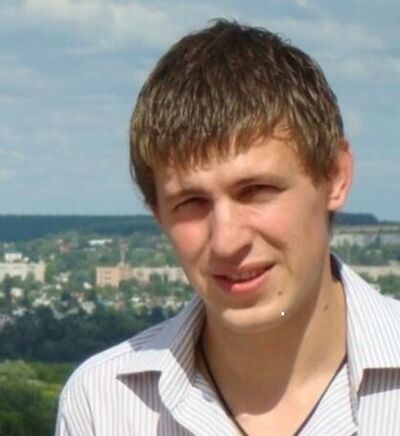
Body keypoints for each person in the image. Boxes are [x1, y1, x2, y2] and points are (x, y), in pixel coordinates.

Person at [56, 20, 400, 435]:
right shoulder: (105, 405)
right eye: (191, 203)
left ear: (335, 176)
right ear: (158, 213)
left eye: (256, 191)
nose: (227, 240)